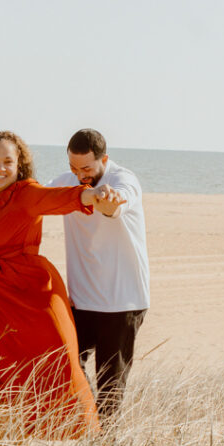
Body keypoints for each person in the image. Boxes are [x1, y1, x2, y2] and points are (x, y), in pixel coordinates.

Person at [0, 130, 123, 443]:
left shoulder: (26, 195)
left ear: (19, 165)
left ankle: (7, 440)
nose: (0, 167)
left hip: (23, 298)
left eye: (8, 161)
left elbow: (66, 198)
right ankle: (6, 435)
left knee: (24, 378)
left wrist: (96, 197)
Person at [47, 128, 149, 423]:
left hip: (122, 304)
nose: (81, 175)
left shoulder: (123, 180)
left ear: (104, 159)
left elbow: (116, 204)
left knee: (110, 391)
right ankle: (86, 432)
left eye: (87, 168)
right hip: (81, 303)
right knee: (65, 371)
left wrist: (106, 201)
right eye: (74, 168)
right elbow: (38, 198)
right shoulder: (68, 183)